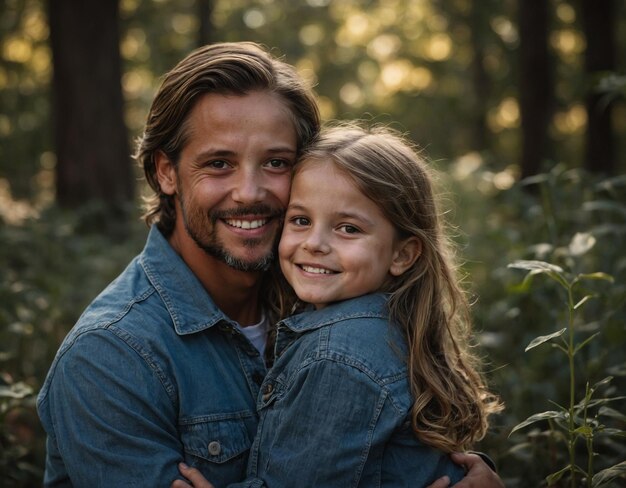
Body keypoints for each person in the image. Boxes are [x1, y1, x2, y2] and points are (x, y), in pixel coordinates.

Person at [37, 42, 503, 487]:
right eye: (219, 163)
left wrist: (454, 470)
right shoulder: (111, 358)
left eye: (276, 162)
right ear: (166, 171)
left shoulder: (320, 292)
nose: (250, 192)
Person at [171, 123, 503, 488]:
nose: (314, 243)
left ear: (402, 254)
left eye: (348, 229)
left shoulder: (337, 358)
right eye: (300, 220)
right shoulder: (388, 326)